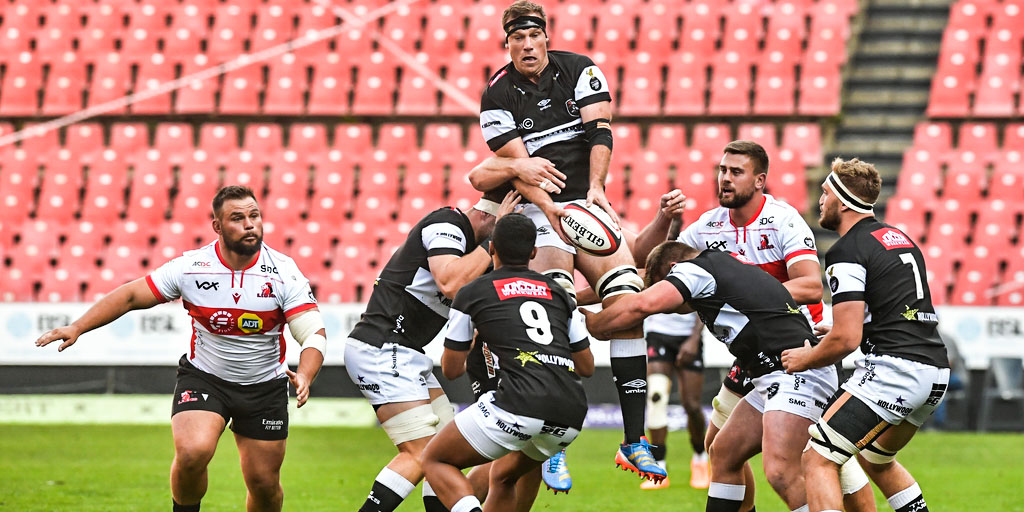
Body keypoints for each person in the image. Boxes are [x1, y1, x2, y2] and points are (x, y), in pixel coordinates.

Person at [35, 185, 326, 512]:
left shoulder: (284, 271)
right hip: (205, 379)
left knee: (263, 483)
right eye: (238, 218)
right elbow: (131, 296)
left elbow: (313, 333)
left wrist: (305, 373)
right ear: (217, 226)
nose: (249, 224)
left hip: (264, 386)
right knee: (192, 453)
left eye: (254, 216)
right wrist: (78, 327)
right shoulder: (192, 267)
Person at [473, 0, 664, 481]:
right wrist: (553, 210)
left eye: (533, 35)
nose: (526, 44)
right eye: (517, 38)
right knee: (554, 301)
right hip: (540, 210)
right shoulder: (497, 94)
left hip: (589, 204)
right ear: (508, 43)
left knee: (626, 295)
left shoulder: (580, 69)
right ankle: (555, 439)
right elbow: (521, 165)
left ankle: (634, 440)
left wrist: (596, 190)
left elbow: (601, 132)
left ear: (545, 36)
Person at [675, 140, 874, 511]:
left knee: (821, 459)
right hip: (753, 355)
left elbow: (812, 286)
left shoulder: (782, 220)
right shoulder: (707, 226)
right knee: (720, 447)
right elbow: (664, 266)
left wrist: (746, 296)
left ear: (760, 180)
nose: (725, 179)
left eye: (736, 172)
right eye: (722, 170)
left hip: (797, 350)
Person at [584, 241, 841, 512]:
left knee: (781, 472)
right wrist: (571, 296)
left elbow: (642, 305)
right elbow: (633, 280)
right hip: (775, 376)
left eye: (666, 283)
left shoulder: (694, 270)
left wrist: (598, 324)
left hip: (797, 373)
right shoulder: (718, 264)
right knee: (724, 452)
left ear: (675, 269)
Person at [781, 158, 950, 512]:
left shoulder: (846, 250)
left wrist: (804, 358)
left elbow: (845, 340)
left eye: (825, 193)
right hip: (934, 370)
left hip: (896, 372)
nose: (820, 202)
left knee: (817, 459)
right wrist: (854, 326)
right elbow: (893, 310)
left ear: (842, 202)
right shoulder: (897, 237)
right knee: (877, 459)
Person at [346, 190, 517, 512]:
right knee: (421, 453)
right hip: (382, 347)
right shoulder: (447, 223)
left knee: (445, 454)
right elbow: (450, 283)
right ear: (486, 217)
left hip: (407, 353)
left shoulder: (479, 257)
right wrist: (492, 240)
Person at [421, 213, 595, 512]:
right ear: (533, 253)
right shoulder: (559, 294)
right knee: (503, 477)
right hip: (570, 413)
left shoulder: (472, 292)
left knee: (435, 460)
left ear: (491, 250)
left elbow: (451, 370)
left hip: (519, 404)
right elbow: (587, 367)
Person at [640, 311, 708, 490]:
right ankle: (658, 465)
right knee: (656, 397)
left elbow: (703, 301)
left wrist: (694, 338)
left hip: (688, 335)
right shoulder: (653, 280)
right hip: (658, 334)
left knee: (692, 406)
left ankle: (700, 459)